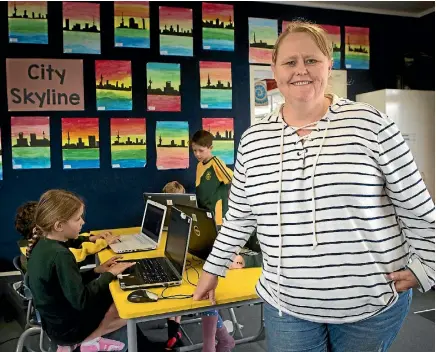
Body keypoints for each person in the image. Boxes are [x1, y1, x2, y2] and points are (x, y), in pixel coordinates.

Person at [194, 20, 435, 352]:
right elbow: (239, 217)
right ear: (275, 69)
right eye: (290, 62)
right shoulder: (253, 141)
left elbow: (416, 205)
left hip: (369, 305)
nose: (300, 70)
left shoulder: (371, 125)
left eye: (312, 60)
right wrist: (212, 270)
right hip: (287, 306)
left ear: (329, 65)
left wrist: (428, 266)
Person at [26, 189, 135, 352]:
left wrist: (97, 271)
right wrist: (109, 274)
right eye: (77, 219)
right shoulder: (61, 255)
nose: (82, 222)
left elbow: (65, 283)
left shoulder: (42, 245)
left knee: (109, 289)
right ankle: (89, 341)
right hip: (68, 330)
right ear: (59, 225)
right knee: (124, 302)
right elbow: (82, 301)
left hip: (53, 326)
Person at [162, 180, 235, 352]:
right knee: (199, 290)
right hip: (217, 261)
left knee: (204, 293)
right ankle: (219, 341)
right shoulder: (231, 216)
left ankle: (213, 343)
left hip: (235, 267)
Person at [15, 201, 118, 271]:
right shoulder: (57, 254)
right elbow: (78, 254)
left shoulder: (33, 243)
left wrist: (90, 238)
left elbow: (69, 241)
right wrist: (103, 243)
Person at [191, 130, 233, 227]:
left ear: (210, 148)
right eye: (194, 150)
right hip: (203, 214)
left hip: (217, 218)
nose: (197, 154)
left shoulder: (216, 163)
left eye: (201, 150)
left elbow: (235, 179)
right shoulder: (199, 165)